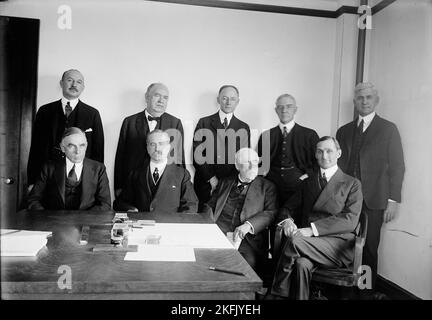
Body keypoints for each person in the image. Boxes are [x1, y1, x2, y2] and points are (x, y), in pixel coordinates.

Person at [266, 136, 363, 300]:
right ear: (316, 155)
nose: (324, 156)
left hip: (338, 245)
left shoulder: (352, 184)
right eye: (320, 151)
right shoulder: (307, 182)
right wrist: (288, 220)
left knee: (294, 241)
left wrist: (312, 230)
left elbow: (350, 220)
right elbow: (287, 208)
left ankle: (276, 294)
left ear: (339, 153)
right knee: (301, 264)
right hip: (308, 246)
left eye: (329, 151)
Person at [336, 82, 405, 296]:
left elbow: (397, 166)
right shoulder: (344, 131)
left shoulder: (388, 129)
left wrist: (393, 201)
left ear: (376, 100)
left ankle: (364, 292)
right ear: (355, 102)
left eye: (368, 97)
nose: (364, 101)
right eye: (360, 98)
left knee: (368, 247)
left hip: (374, 199)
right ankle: (344, 290)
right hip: (346, 199)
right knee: (342, 244)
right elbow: (337, 167)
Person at [203, 148, 277, 277]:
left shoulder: (267, 187)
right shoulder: (225, 182)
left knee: (244, 269)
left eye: (254, 162)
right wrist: (209, 228)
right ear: (237, 165)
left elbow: (271, 212)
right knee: (205, 264)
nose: (252, 166)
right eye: (247, 162)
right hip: (219, 235)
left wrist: (249, 225)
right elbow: (210, 206)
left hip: (247, 240)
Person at [27, 69, 104, 188]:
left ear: (83, 87)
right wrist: (32, 181)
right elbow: (35, 149)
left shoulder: (92, 114)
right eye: (70, 80)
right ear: (61, 83)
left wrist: (96, 183)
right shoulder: (44, 111)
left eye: (78, 82)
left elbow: (98, 151)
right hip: (48, 179)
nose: (74, 85)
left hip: (81, 180)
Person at [114, 83, 184, 198]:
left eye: (165, 97)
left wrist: (180, 189)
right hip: (133, 188)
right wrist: (118, 188)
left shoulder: (175, 123)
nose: (161, 100)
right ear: (147, 97)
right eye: (157, 95)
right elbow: (120, 157)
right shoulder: (129, 122)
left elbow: (178, 158)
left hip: (165, 188)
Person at [193, 85, 250, 211]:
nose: (228, 102)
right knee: (203, 219)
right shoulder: (204, 122)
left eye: (232, 99)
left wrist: (227, 183)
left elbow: (244, 159)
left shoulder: (244, 127)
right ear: (218, 99)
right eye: (224, 98)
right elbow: (197, 155)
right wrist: (211, 178)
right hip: (205, 182)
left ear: (238, 102)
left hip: (231, 185)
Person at [27, 127, 111, 211]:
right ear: (63, 148)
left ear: (87, 145)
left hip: (86, 222)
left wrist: (85, 220)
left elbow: (105, 204)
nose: (78, 151)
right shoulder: (49, 168)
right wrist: (47, 219)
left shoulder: (98, 169)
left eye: (82, 145)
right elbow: (33, 200)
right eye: (72, 146)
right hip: (54, 222)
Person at [114, 130, 198, 213]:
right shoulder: (135, 174)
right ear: (147, 147)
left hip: (170, 225)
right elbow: (120, 203)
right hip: (142, 225)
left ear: (169, 147)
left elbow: (191, 205)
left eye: (161, 144)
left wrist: (177, 225)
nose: (157, 148)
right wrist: (130, 209)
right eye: (152, 144)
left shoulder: (182, 174)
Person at [257, 94, 319, 205]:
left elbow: (317, 164)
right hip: (271, 188)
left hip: (300, 187)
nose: (284, 110)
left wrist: (304, 177)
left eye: (289, 106)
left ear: (295, 109)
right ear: (276, 110)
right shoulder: (266, 135)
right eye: (280, 107)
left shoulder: (309, 135)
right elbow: (260, 165)